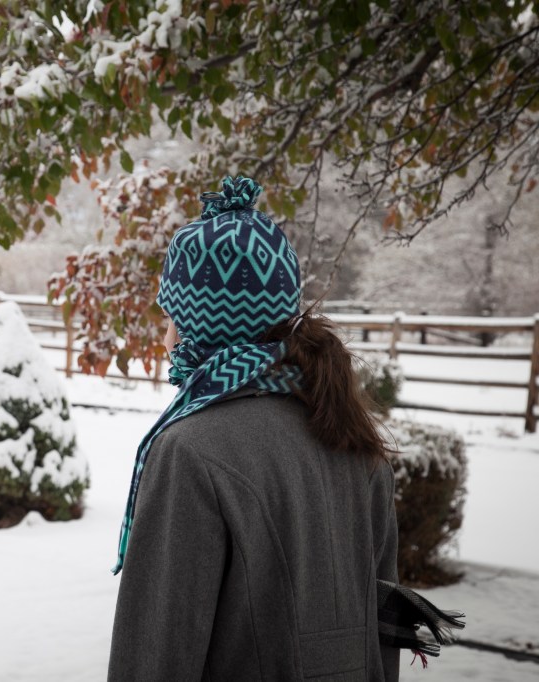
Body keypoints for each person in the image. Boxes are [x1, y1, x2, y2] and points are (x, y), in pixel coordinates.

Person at [107, 176, 462, 681]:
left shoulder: (190, 450)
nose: (166, 340)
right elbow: (382, 635)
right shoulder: (356, 441)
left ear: (209, 324)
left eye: (173, 318)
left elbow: (156, 649)